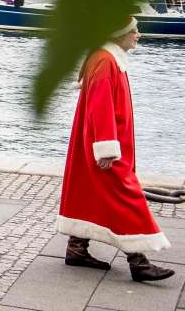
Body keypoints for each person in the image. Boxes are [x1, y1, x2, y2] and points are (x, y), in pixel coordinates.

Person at [57, 17, 174, 282]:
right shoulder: (106, 61)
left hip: (99, 143)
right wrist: (107, 149)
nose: (138, 35)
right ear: (120, 34)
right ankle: (139, 261)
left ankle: (77, 248)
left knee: (89, 191)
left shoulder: (106, 59)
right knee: (126, 197)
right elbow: (100, 107)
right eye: (134, 30)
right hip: (107, 148)